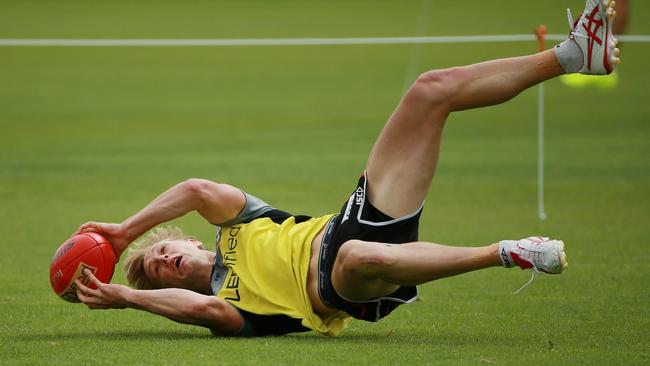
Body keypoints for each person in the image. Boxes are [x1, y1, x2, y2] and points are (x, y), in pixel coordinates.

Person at [73, 0, 619, 337]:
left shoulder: (237, 226)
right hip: (345, 289)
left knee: (429, 90)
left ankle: (573, 56)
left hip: (351, 221)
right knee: (357, 255)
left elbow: (195, 188)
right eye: (161, 267)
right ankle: (508, 253)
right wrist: (129, 295)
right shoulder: (224, 305)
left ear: (194, 243)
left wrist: (126, 233)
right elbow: (200, 314)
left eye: (167, 251)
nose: (167, 260)